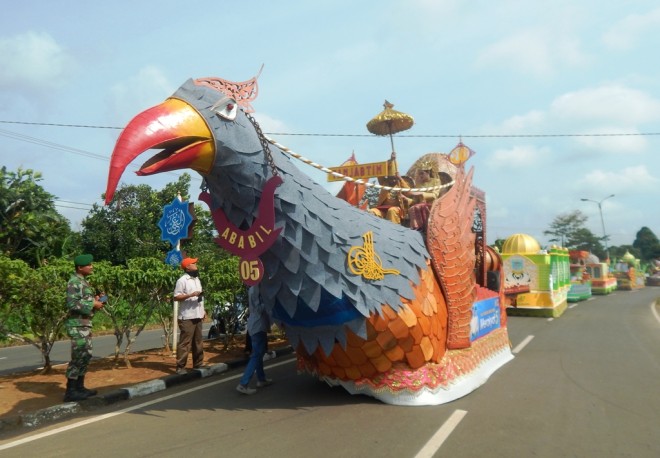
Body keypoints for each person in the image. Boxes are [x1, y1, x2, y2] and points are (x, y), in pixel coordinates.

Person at [64, 254, 105, 402]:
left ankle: (79, 387)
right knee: (78, 356)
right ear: (80, 267)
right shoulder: (74, 282)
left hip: (84, 324)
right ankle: (71, 391)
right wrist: (92, 304)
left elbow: (84, 303)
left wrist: (96, 302)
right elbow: (72, 304)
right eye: (89, 265)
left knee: (85, 356)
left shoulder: (83, 282)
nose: (91, 266)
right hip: (77, 325)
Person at [173, 257, 206, 374]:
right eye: (194, 263)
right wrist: (190, 295)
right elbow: (176, 297)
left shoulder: (197, 279)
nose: (196, 265)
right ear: (188, 267)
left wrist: (203, 310)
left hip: (197, 314)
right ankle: (180, 367)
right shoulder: (182, 280)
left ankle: (198, 364)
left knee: (198, 341)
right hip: (187, 316)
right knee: (185, 342)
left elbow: (200, 296)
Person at [236, 288, 272, 395]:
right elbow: (259, 308)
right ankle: (243, 384)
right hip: (258, 325)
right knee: (256, 355)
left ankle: (261, 379)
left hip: (255, 324)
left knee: (259, 353)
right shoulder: (257, 289)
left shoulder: (253, 288)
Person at [408, 165, 441, 231]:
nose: (420, 176)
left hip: (432, 204)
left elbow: (434, 195)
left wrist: (421, 193)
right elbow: (415, 200)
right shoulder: (418, 184)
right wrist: (405, 199)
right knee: (411, 208)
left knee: (418, 207)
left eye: (422, 173)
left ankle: (422, 228)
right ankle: (416, 228)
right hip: (420, 205)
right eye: (419, 174)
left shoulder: (436, 181)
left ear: (428, 172)